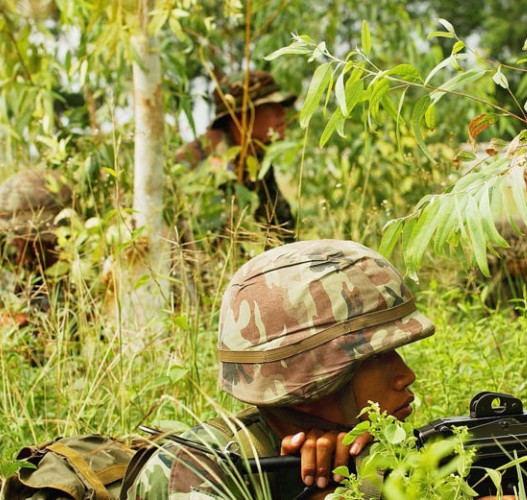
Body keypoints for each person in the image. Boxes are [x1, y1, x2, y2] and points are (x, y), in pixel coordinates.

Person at [126, 239, 436, 499]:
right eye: (378, 358)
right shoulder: (193, 472)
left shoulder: (388, 453)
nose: (406, 376)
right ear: (310, 384)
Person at [176, 70, 298, 243]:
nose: (282, 113)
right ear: (242, 115)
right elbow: (200, 238)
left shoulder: (253, 158)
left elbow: (280, 225)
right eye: (272, 107)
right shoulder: (202, 161)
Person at [0, 168, 73, 332]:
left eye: (23, 235)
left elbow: (66, 310)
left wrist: (27, 320)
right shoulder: (16, 246)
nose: (14, 242)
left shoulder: (68, 260)